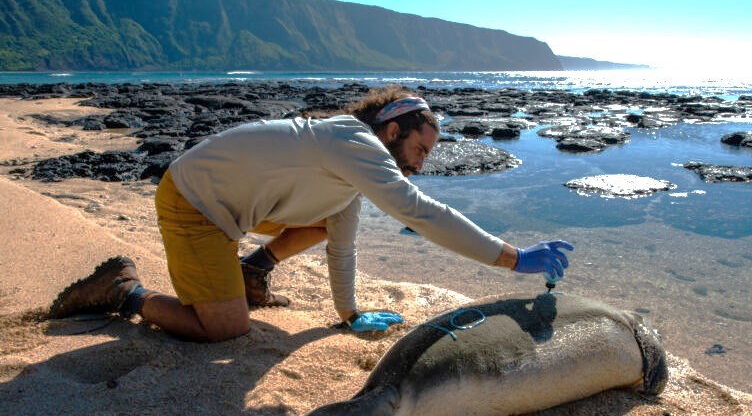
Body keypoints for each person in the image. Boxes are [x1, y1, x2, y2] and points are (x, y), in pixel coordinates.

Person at [50, 86, 573, 342]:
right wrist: (513, 259)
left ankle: (253, 268)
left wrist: (348, 315)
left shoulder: (352, 174)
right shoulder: (351, 140)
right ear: (391, 131)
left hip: (238, 207)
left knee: (326, 222)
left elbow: (341, 243)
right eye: (420, 147)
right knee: (223, 331)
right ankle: (124, 290)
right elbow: (421, 212)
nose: (422, 161)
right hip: (194, 204)